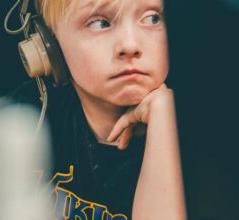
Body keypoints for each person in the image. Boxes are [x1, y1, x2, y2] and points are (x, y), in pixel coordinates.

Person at [11, 0, 186, 219]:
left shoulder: (201, 147)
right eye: (100, 23)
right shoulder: (28, 115)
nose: (130, 45)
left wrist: (163, 117)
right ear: (49, 42)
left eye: (153, 18)